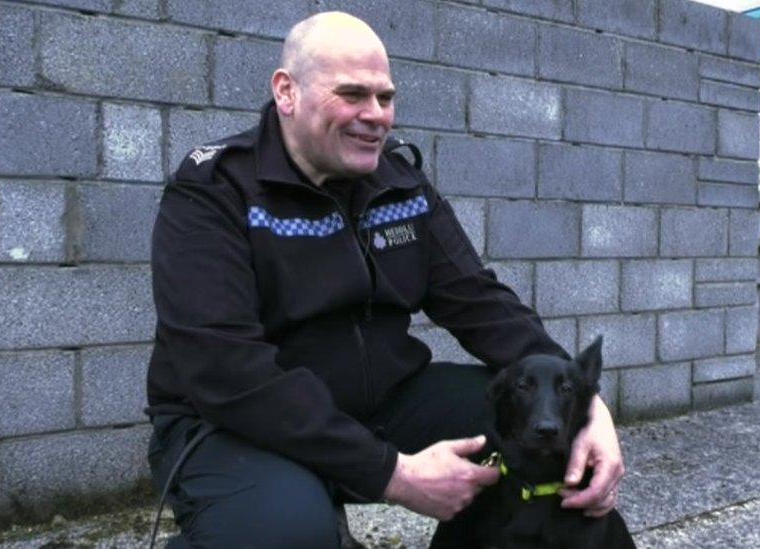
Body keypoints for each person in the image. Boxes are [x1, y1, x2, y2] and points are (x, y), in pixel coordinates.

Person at [146, 11, 625, 548]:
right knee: (287, 533)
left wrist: (587, 405)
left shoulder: (400, 183)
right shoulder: (216, 190)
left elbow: (479, 300)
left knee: (548, 436)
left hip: (383, 402)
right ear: (287, 92)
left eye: (385, 97)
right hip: (236, 425)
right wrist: (391, 473)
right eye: (352, 94)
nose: (376, 115)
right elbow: (225, 369)